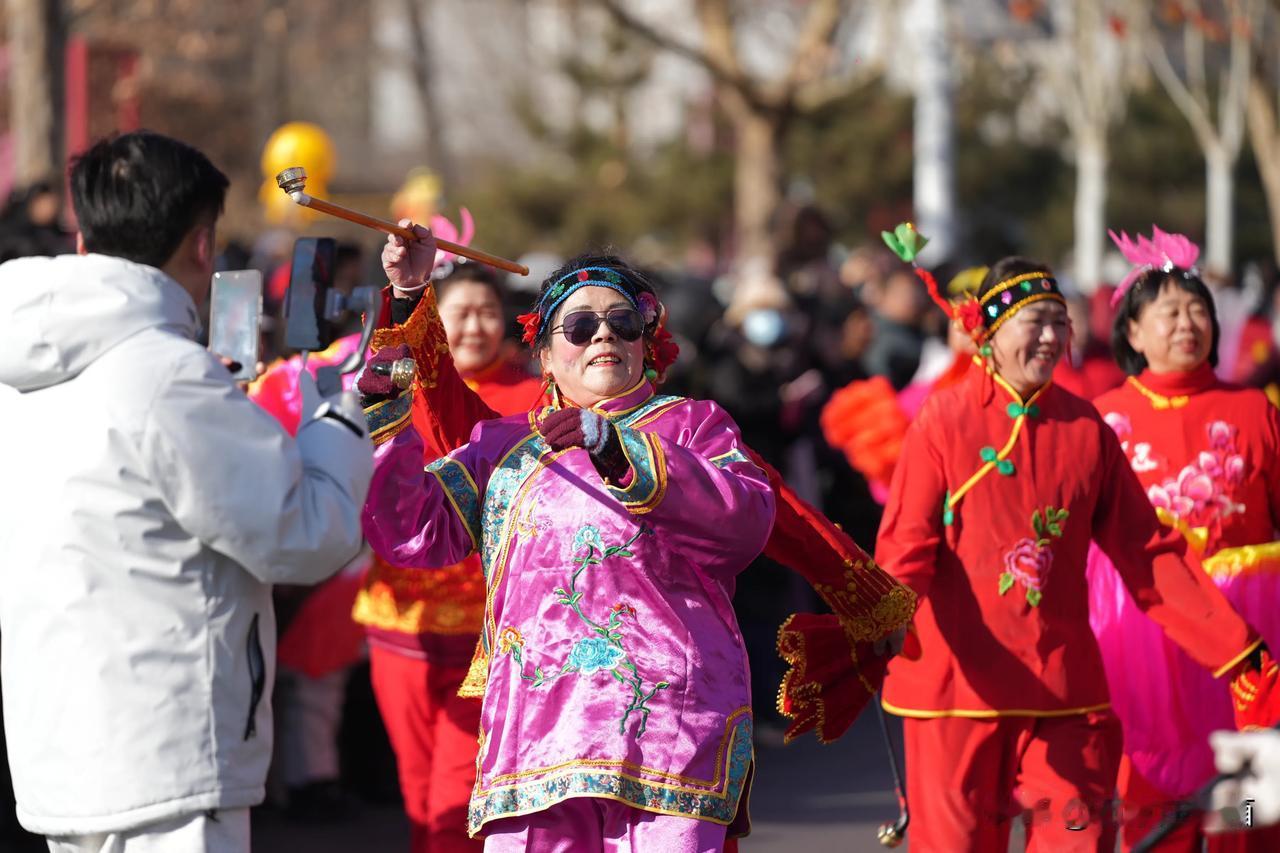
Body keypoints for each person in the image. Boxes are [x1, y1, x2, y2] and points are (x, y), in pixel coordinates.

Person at [0, 131, 373, 852]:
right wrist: (342, 414)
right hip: (170, 749)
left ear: (85, 238)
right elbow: (303, 534)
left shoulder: (22, 368)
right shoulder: (166, 374)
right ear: (202, 244)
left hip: (60, 744)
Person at [358, 232, 776, 851]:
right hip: (538, 742)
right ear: (546, 358)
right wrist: (388, 422)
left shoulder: (695, 426)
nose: (603, 335)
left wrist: (613, 445)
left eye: (622, 322)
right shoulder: (504, 448)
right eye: (579, 326)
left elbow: (744, 523)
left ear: (645, 343)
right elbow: (412, 531)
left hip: (666, 734)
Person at [874, 254, 1268, 852]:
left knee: (1079, 838)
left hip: (1064, 687)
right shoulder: (945, 420)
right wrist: (878, 619)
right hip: (958, 691)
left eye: (1061, 322)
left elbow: (1149, 554)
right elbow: (906, 544)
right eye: (1035, 321)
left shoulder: (1086, 429)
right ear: (988, 333)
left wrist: (1237, 647)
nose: (1052, 336)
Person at [1087, 227, 1280, 851]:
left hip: (1248, 616)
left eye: (1198, 309)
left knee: (1247, 787)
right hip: (1144, 622)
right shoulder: (1101, 417)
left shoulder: (1255, 408)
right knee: (1152, 769)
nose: (1186, 323)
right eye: (1167, 312)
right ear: (1133, 332)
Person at [353, 260, 542, 853]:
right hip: (399, 622)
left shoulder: (535, 397)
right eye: (459, 312)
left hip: (484, 631)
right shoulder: (394, 388)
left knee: (456, 795)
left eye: (487, 312)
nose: (475, 326)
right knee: (416, 790)